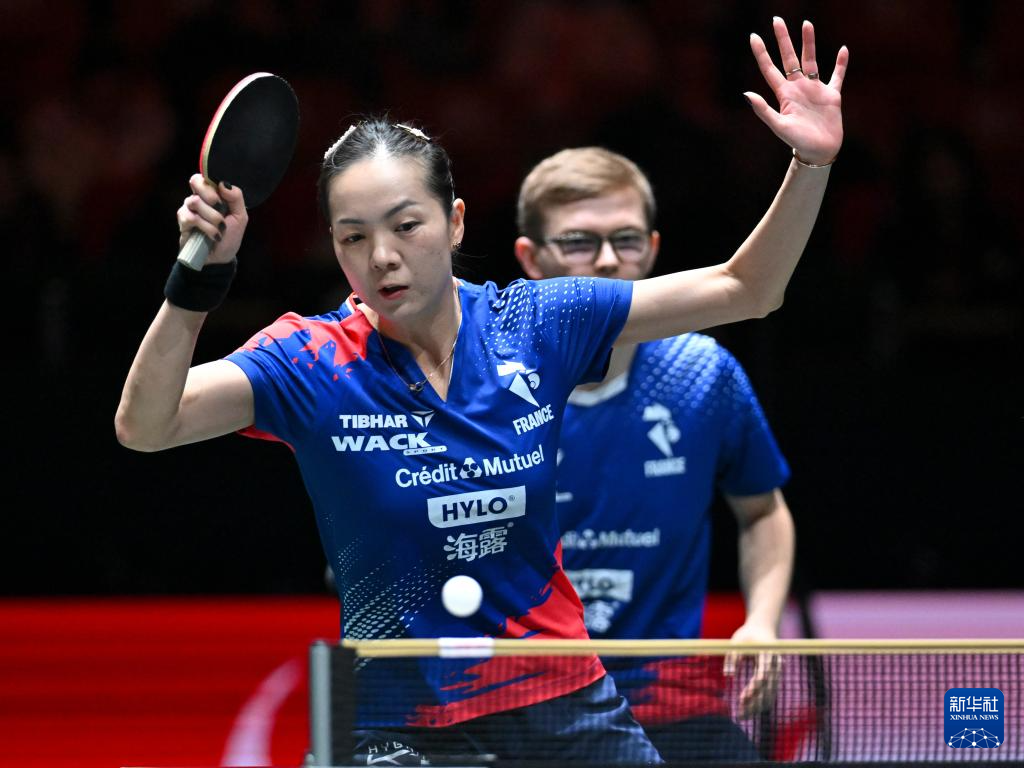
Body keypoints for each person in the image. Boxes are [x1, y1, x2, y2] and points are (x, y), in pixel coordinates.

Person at [115, 18, 846, 765]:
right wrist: (198, 278)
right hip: (402, 724)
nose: (383, 256)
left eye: (406, 225)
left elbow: (746, 287)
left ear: (455, 221)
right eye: (353, 236)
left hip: (563, 704)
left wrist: (810, 163)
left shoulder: (538, 324)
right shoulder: (311, 362)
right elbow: (145, 425)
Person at [514, 146, 794, 761]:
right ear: (530, 259)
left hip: (673, 706)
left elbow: (762, 510)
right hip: (527, 707)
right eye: (580, 242)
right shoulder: (491, 388)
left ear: (654, 248)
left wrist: (762, 621)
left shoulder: (701, 374)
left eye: (627, 239)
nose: (608, 259)